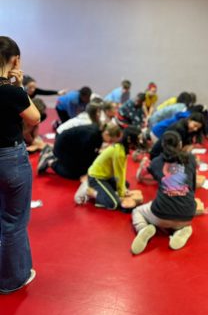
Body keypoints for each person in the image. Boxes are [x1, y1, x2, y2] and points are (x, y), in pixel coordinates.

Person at [0, 36, 41, 293]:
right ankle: (12, 279)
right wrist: (19, 84)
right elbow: (35, 118)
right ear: (15, 59)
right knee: (14, 221)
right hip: (10, 159)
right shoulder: (12, 91)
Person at [131, 130, 197, 255]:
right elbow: (193, 187)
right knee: (179, 216)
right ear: (180, 144)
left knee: (137, 211)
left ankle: (143, 228)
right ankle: (182, 229)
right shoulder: (190, 158)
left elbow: (140, 177)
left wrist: (142, 166)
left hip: (160, 215)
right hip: (188, 214)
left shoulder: (156, 162)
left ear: (162, 145)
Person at [75, 126, 142, 210]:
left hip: (106, 176)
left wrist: (123, 189)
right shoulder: (119, 152)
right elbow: (119, 175)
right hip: (96, 177)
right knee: (113, 203)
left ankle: (106, 192)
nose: (140, 141)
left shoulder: (122, 148)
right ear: (129, 140)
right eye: (138, 139)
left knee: (126, 185)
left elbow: (122, 171)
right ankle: (91, 192)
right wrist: (122, 194)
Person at [38, 123, 121, 180]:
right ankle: (51, 161)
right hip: (63, 148)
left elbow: (90, 153)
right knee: (76, 174)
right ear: (106, 134)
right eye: (110, 141)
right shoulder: (92, 136)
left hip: (72, 146)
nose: (109, 143)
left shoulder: (98, 133)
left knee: (90, 165)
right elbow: (85, 157)